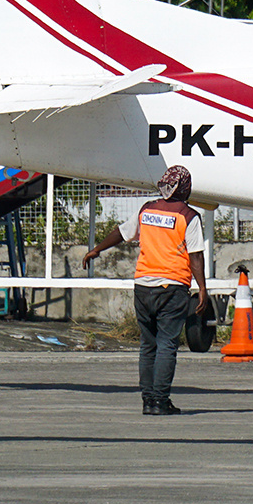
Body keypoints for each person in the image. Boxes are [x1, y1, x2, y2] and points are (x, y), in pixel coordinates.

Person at [82, 165, 209, 415]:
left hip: (143, 287)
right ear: (184, 188)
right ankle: (161, 400)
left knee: (148, 345)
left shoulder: (147, 209)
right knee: (166, 345)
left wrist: (97, 249)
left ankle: (148, 400)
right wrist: (202, 288)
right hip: (171, 287)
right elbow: (195, 257)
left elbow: (122, 232)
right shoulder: (189, 216)